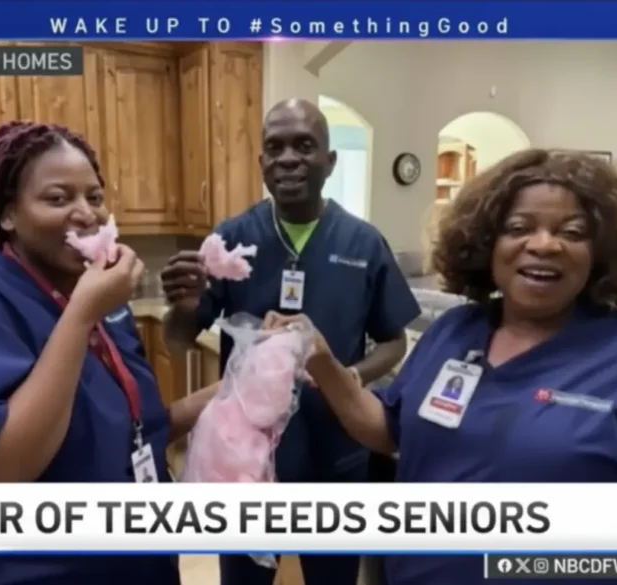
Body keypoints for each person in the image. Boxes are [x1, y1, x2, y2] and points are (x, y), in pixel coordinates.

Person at [269, 149, 617, 585]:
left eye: (571, 232)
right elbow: (390, 429)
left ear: (601, 250)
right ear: (486, 243)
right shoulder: (456, 331)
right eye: (518, 228)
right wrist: (324, 364)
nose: (543, 244)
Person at [0, 121, 216, 585]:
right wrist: (83, 312)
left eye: (93, 196)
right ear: (8, 214)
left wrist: (226, 393)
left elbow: (130, 430)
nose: (85, 213)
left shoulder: (97, 296)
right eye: (57, 198)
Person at [160, 99, 421, 585]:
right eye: (274, 148)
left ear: (330, 161)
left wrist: (346, 378)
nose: (288, 158)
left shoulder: (363, 243)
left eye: (305, 146)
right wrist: (183, 304)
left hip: (336, 455)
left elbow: (393, 341)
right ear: (260, 163)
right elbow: (177, 341)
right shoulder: (234, 238)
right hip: (245, 463)